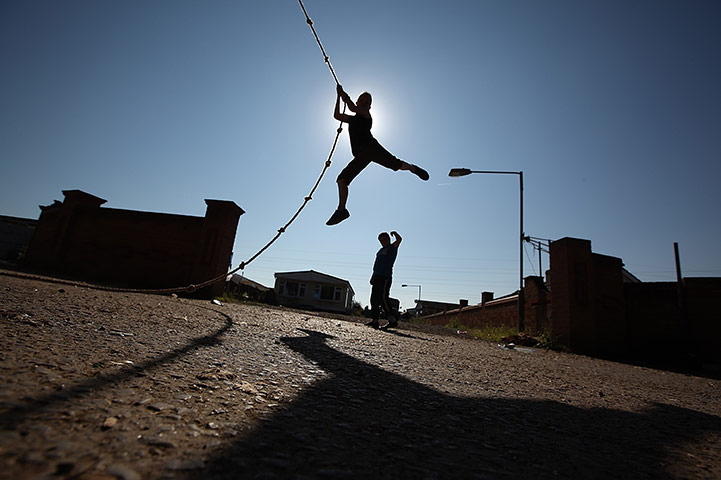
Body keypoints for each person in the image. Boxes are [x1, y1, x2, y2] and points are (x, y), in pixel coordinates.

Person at [326, 85, 429, 226]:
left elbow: (352, 108)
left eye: (367, 102)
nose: (364, 103)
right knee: (342, 180)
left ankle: (413, 168)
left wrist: (344, 95)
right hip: (361, 155)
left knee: (395, 163)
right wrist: (338, 96)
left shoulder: (366, 115)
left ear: (369, 107)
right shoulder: (353, 118)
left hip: (370, 147)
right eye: (362, 100)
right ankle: (341, 210)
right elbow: (337, 116)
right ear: (358, 101)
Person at [367, 230, 402, 329]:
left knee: (383, 298)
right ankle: (375, 320)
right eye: (380, 240)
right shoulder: (379, 251)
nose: (382, 242)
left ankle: (392, 320)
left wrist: (395, 233)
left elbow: (399, 240)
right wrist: (373, 275)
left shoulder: (392, 248)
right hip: (377, 276)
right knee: (374, 298)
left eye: (384, 239)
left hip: (385, 277)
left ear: (388, 239)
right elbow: (376, 265)